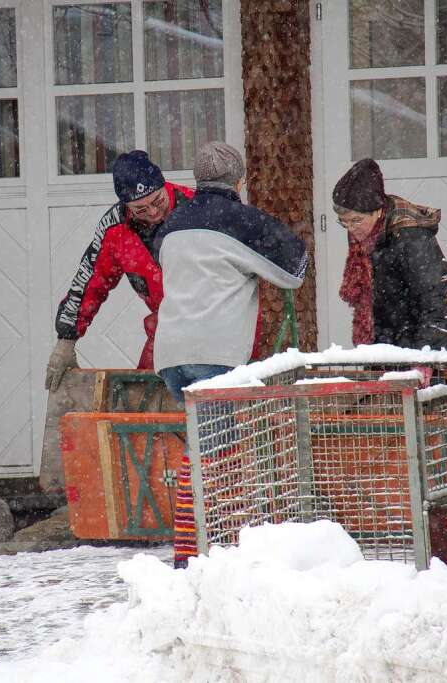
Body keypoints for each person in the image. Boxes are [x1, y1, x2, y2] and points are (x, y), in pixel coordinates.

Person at [153, 141, 307, 567]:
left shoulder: (172, 222)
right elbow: (294, 269)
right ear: (240, 181)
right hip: (213, 353)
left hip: (171, 354)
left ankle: (208, 543)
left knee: (205, 445)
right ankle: (195, 553)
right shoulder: (241, 220)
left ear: (197, 180)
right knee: (212, 455)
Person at [45, 150, 194, 390]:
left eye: (157, 201)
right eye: (141, 209)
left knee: (214, 416)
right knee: (144, 410)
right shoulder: (114, 229)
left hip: (213, 330)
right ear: (126, 206)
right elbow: (89, 283)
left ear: (164, 185)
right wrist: (66, 339)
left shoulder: (197, 207)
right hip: (164, 335)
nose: (153, 213)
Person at [333, 158, 447, 350]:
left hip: (415, 348)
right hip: (385, 347)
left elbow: (437, 298)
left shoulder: (410, 236)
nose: (351, 228)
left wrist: (425, 358)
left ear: (378, 211)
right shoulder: (366, 235)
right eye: (344, 222)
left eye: (356, 220)